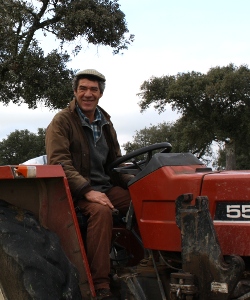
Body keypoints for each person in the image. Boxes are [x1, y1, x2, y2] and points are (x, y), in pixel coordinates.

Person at [45, 69, 132, 300]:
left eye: (93, 89)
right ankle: (100, 285)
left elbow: (115, 163)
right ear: (75, 92)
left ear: (100, 94)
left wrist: (137, 181)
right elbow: (59, 162)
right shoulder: (62, 121)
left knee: (143, 201)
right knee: (101, 211)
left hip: (104, 187)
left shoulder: (106, 123)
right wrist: (87, 190)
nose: (88, 94)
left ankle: (144, 264)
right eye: (83, 88)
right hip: (73, 191)